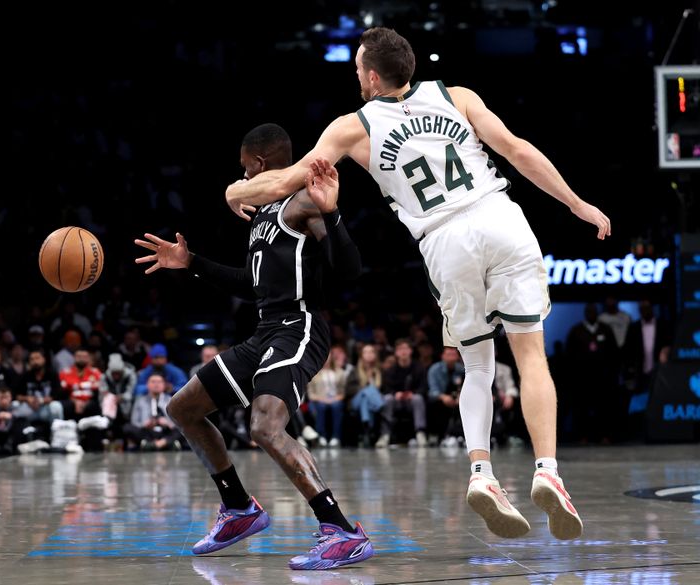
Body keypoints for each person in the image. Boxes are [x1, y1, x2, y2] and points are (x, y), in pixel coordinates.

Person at [225, 27, 612, 540]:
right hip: (500, 217)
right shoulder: (458, 96)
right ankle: (548, 471)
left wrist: (237, 188)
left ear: (369, 74)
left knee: (477, 363)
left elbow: (285, 180)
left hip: (443, 239)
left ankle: (483, 474)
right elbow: (519, 151)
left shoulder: (352, 127)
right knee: (531, 357)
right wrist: (577, 204)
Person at [133, 123, 372, 570]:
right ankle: (239, 509)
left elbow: (350, 271)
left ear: (259, 165)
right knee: (183, 408)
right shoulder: (262, 217)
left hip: (301, 327)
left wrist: (334, 214)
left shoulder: (303, 200)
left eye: (244, 170)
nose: (241, 179)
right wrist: (191, 263)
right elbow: (251, 283)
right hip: (265, 331)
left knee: (264, 425)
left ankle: (341, 529)